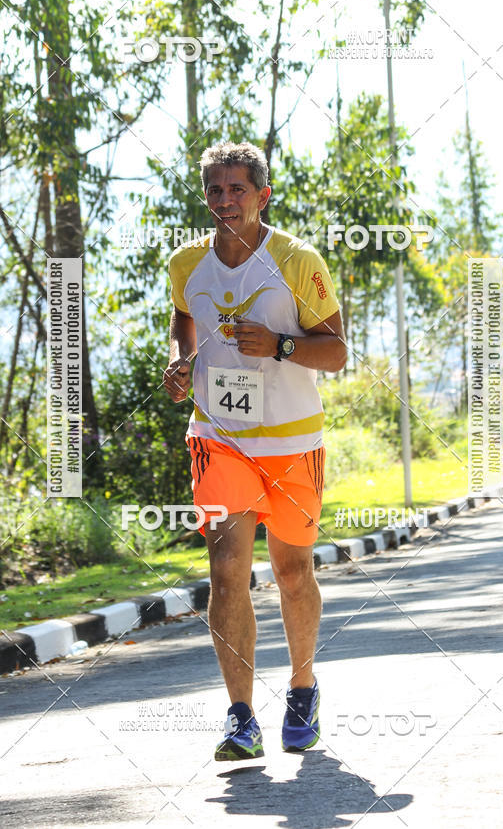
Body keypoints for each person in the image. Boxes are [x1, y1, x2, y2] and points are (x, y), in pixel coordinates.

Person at [163, 141, 346, 761]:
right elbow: (183, 317)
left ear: (262, 195)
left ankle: (302, 688)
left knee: (294, 573)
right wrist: (180, 361)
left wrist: (280, 347)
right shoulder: (187, 263)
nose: (225, 201)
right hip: (219, 439)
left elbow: (337, 351)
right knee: (225, 573)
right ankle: (241, 717)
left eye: (237, 189)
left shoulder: (297, 261)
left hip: (294, 442)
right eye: (215, 191)